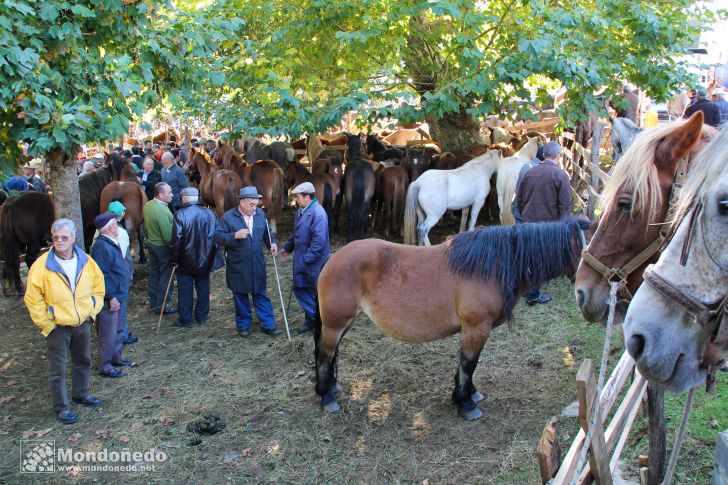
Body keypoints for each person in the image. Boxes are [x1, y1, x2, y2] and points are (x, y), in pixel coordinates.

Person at [24, 218, 105, 424]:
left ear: (73, 238)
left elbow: (98, 288)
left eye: (64, 237)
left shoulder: (86, 261)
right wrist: (48, 324)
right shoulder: (41, 266)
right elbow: (33, 299)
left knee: (83, 361)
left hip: (82, 322)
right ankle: (62, 407)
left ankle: (82, 393)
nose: (59, 241)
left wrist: (90, 312)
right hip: (57, 327)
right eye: (56, 237)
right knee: (57, 369)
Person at [215, 186, 280, 338]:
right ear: (242, 202)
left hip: (257, 262)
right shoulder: (229, 217)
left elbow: (267, 233)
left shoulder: (260, 214)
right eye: (251, 204)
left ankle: (268, 325)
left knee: (261, 293)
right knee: (240, 296)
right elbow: (217, 236)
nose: (254, 208)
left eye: (256, 204)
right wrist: (234, 236)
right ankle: (244, 325)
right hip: (238, 264)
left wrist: (272, 243)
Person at [514, 141, 572, 306]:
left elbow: (518, 199)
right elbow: (565, 207)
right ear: (557, 156)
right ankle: (532, 294)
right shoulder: (560, 175)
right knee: (539, 261)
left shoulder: (530, 172)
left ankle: (524, 288)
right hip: (547, 227)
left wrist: (526, 215)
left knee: (527, 258)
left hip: (527, 223)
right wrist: (561, 230)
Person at [279, 182, 330, 334]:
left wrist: (306, 259)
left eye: (297, 196)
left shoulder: (318, 214)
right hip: (303, 259)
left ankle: (318, 320)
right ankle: (311, 321)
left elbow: (319, 242)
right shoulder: (301, 211)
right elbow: (296, 234)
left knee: (310, 291)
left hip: (314, 263)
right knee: (303, 288)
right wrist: (288, 247)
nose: (295, 200)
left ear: (308, 197)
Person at [90, 213, 134, 378]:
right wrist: (110, 296)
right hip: (111, 297)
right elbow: (102, 275)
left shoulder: (110, 242)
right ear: (109, 228)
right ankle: (106, 366)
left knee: (118, 329)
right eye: (115, 225)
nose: (117, 227)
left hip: (119, 294)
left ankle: (116, 357)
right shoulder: (101, 247)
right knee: (108, 333)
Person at [170, 188, 218, 328]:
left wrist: (173, 260)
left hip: (185, 260)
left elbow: (176, 241)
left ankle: (186, 319)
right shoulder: (210, 213)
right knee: (203, 288)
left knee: (185, 290)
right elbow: (215, 236)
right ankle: (202, 316)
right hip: (205, 258)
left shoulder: (180, 214)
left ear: (185, 198)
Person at [143, 182, 176, 314]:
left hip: (151, 243)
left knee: (154, 273)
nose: (172, 195)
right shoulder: (162, 211)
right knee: (166, 276)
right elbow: (168, 237)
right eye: (169, 192)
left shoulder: (149, 205)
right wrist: (175, 249)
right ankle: (163, 304)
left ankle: (153, 300)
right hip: (162, 247)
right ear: (161, 195)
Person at [108, 201, 138, 345]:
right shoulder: (120, 232)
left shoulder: (101, 229)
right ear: (122, 214)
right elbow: (124, 255)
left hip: (112, 275)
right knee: (120, 306)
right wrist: (129, 273)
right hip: (119, 274)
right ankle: (122, 334)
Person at [511, 145, 544, 224]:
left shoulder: (525, 166)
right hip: (529, 211)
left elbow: (517, 189)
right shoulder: (540, 171)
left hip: (517, 206)